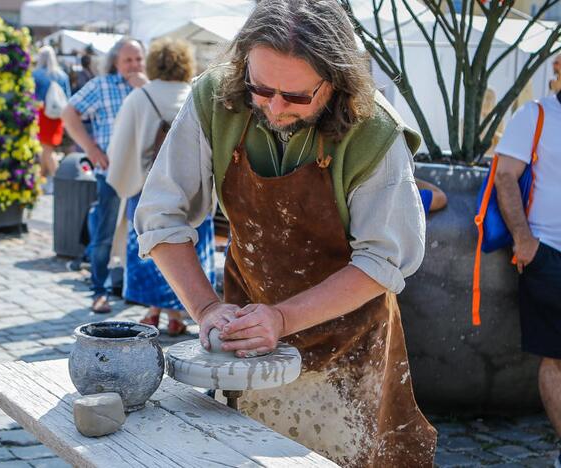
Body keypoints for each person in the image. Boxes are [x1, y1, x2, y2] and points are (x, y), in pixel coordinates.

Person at [134, 0, 436, 465]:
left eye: (295, 96)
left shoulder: (374, 131)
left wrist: (282, 319)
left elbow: (384, 260)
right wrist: (207, 308)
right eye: (261, 88)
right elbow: (160, 216)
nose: (274, 107)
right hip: (246, 345)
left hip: (351, 346)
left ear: (335, 82)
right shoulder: (215, 100)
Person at [107, 38, 215, 336]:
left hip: (147, 190)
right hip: (194, 194)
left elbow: (120, 148)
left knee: (153, 249)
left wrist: (126, 180)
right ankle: (180, 313)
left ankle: (153, 311)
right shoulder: (196, 96)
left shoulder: (140, 97)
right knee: (188, 251)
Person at [494, 92, 561, 468]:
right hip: (549, 252)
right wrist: (525, 241)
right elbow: (505, 176)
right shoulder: (535, 115)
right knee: (556, 357)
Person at [61, 38, 148, 313]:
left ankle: (136, 290)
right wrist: (91, 148)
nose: (134, 65)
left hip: (145, 173)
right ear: (115, 62)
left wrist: (145, 89)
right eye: (128, 60)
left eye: (138, 59)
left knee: (142, 235)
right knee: (105, 233)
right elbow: (68, 112)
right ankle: (99, 291)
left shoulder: (149, 87)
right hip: (111, 172)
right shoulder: (102, 85)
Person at [32, 46, 72, 192]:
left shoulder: (36, 75)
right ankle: (40, 180)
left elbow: (31, 97)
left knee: (46, 150)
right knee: (46, 149)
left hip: (42, 114)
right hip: (57, 116)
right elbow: (68, 98)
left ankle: (57, 180)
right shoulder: (62, 75)